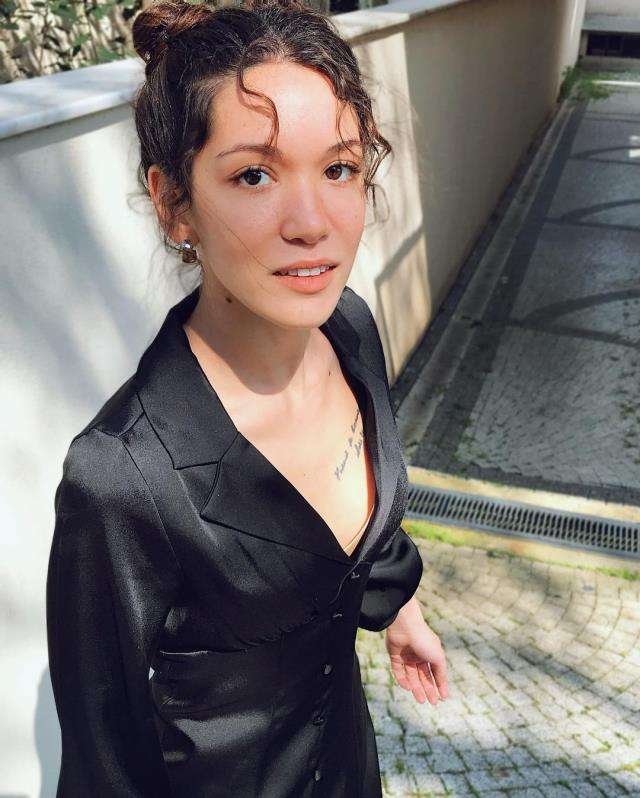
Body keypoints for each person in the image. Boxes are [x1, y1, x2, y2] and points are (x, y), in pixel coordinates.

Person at [45, 0, 449, 795]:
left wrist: (401, 611)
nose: (312, 222)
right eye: (254, 175)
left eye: (339, 168)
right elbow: (101, 762)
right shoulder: (123, 479)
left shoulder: (349, 329)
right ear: (174, 203)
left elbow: (361, 538)